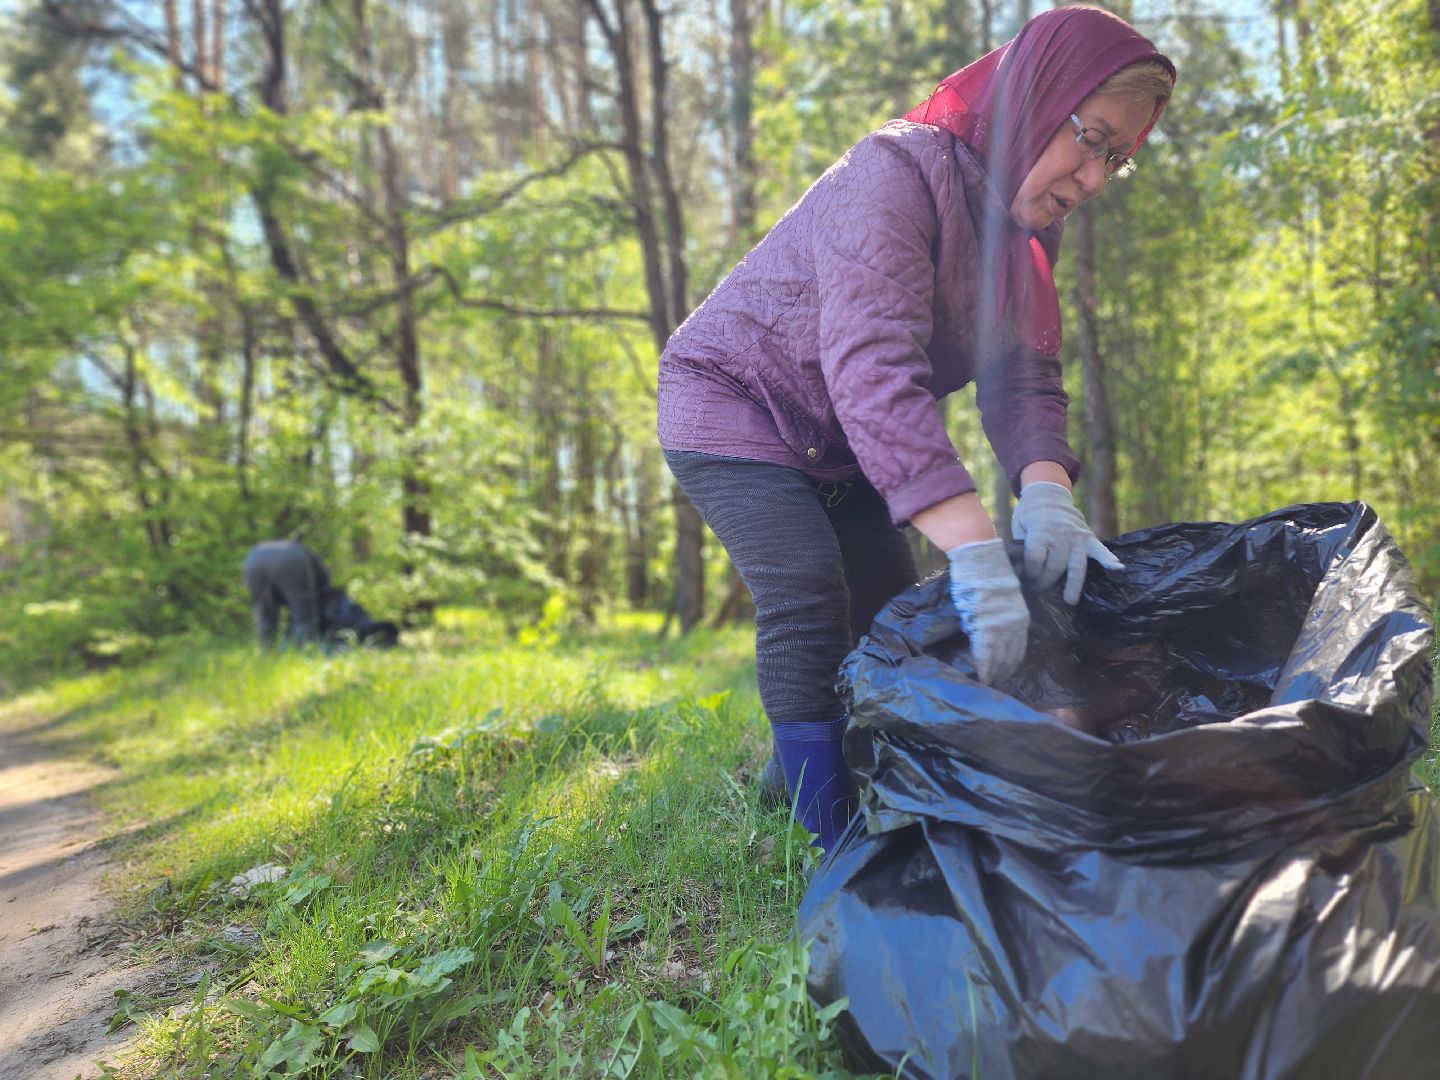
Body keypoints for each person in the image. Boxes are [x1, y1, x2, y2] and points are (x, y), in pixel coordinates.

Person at [656, 6, 1176, 851]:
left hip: (846, 443)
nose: (1091, 176)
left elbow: (1025, 381)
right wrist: (972, 545)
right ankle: (831, 842)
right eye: (1091, 137)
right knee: (807, 589)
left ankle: (786, 784)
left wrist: (1049, 498)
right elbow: (872, 369)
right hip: (734, 401)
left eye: (1117, 161)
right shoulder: (894, 174)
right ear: (1037, 99)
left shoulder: (1019, 243)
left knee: (893, 621)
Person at [242, 540, 399, 649]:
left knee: (265, 616)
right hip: (291, 560)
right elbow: (324, 593)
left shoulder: (304, 555)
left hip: (253, 559)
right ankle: (303, 652)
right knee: (303, 618)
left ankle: (267, 654)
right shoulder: (313, 562)